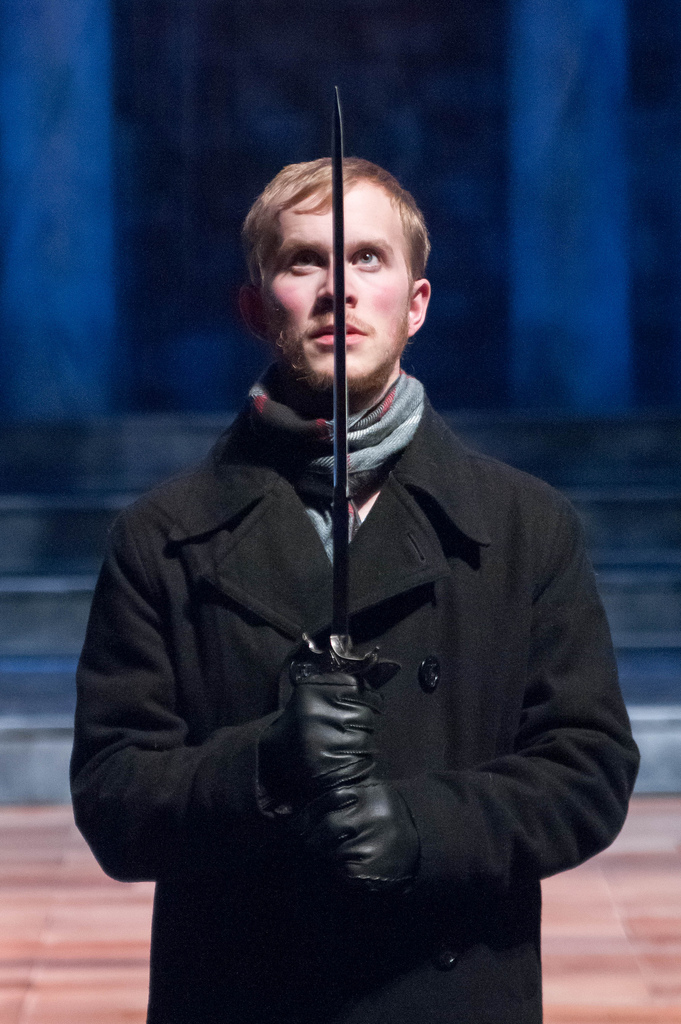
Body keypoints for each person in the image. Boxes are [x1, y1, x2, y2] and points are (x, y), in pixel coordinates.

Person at [71, 157, 639, 1024]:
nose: (339, 289)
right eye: (304, 262)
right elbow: (113, 798)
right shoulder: (163, 537)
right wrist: (261, 765)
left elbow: (586, 771)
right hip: (242, 994)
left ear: (414, 304)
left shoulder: (524, 527)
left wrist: (420, 828)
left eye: (367, 259)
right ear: (255, 308)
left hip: (448, 991)